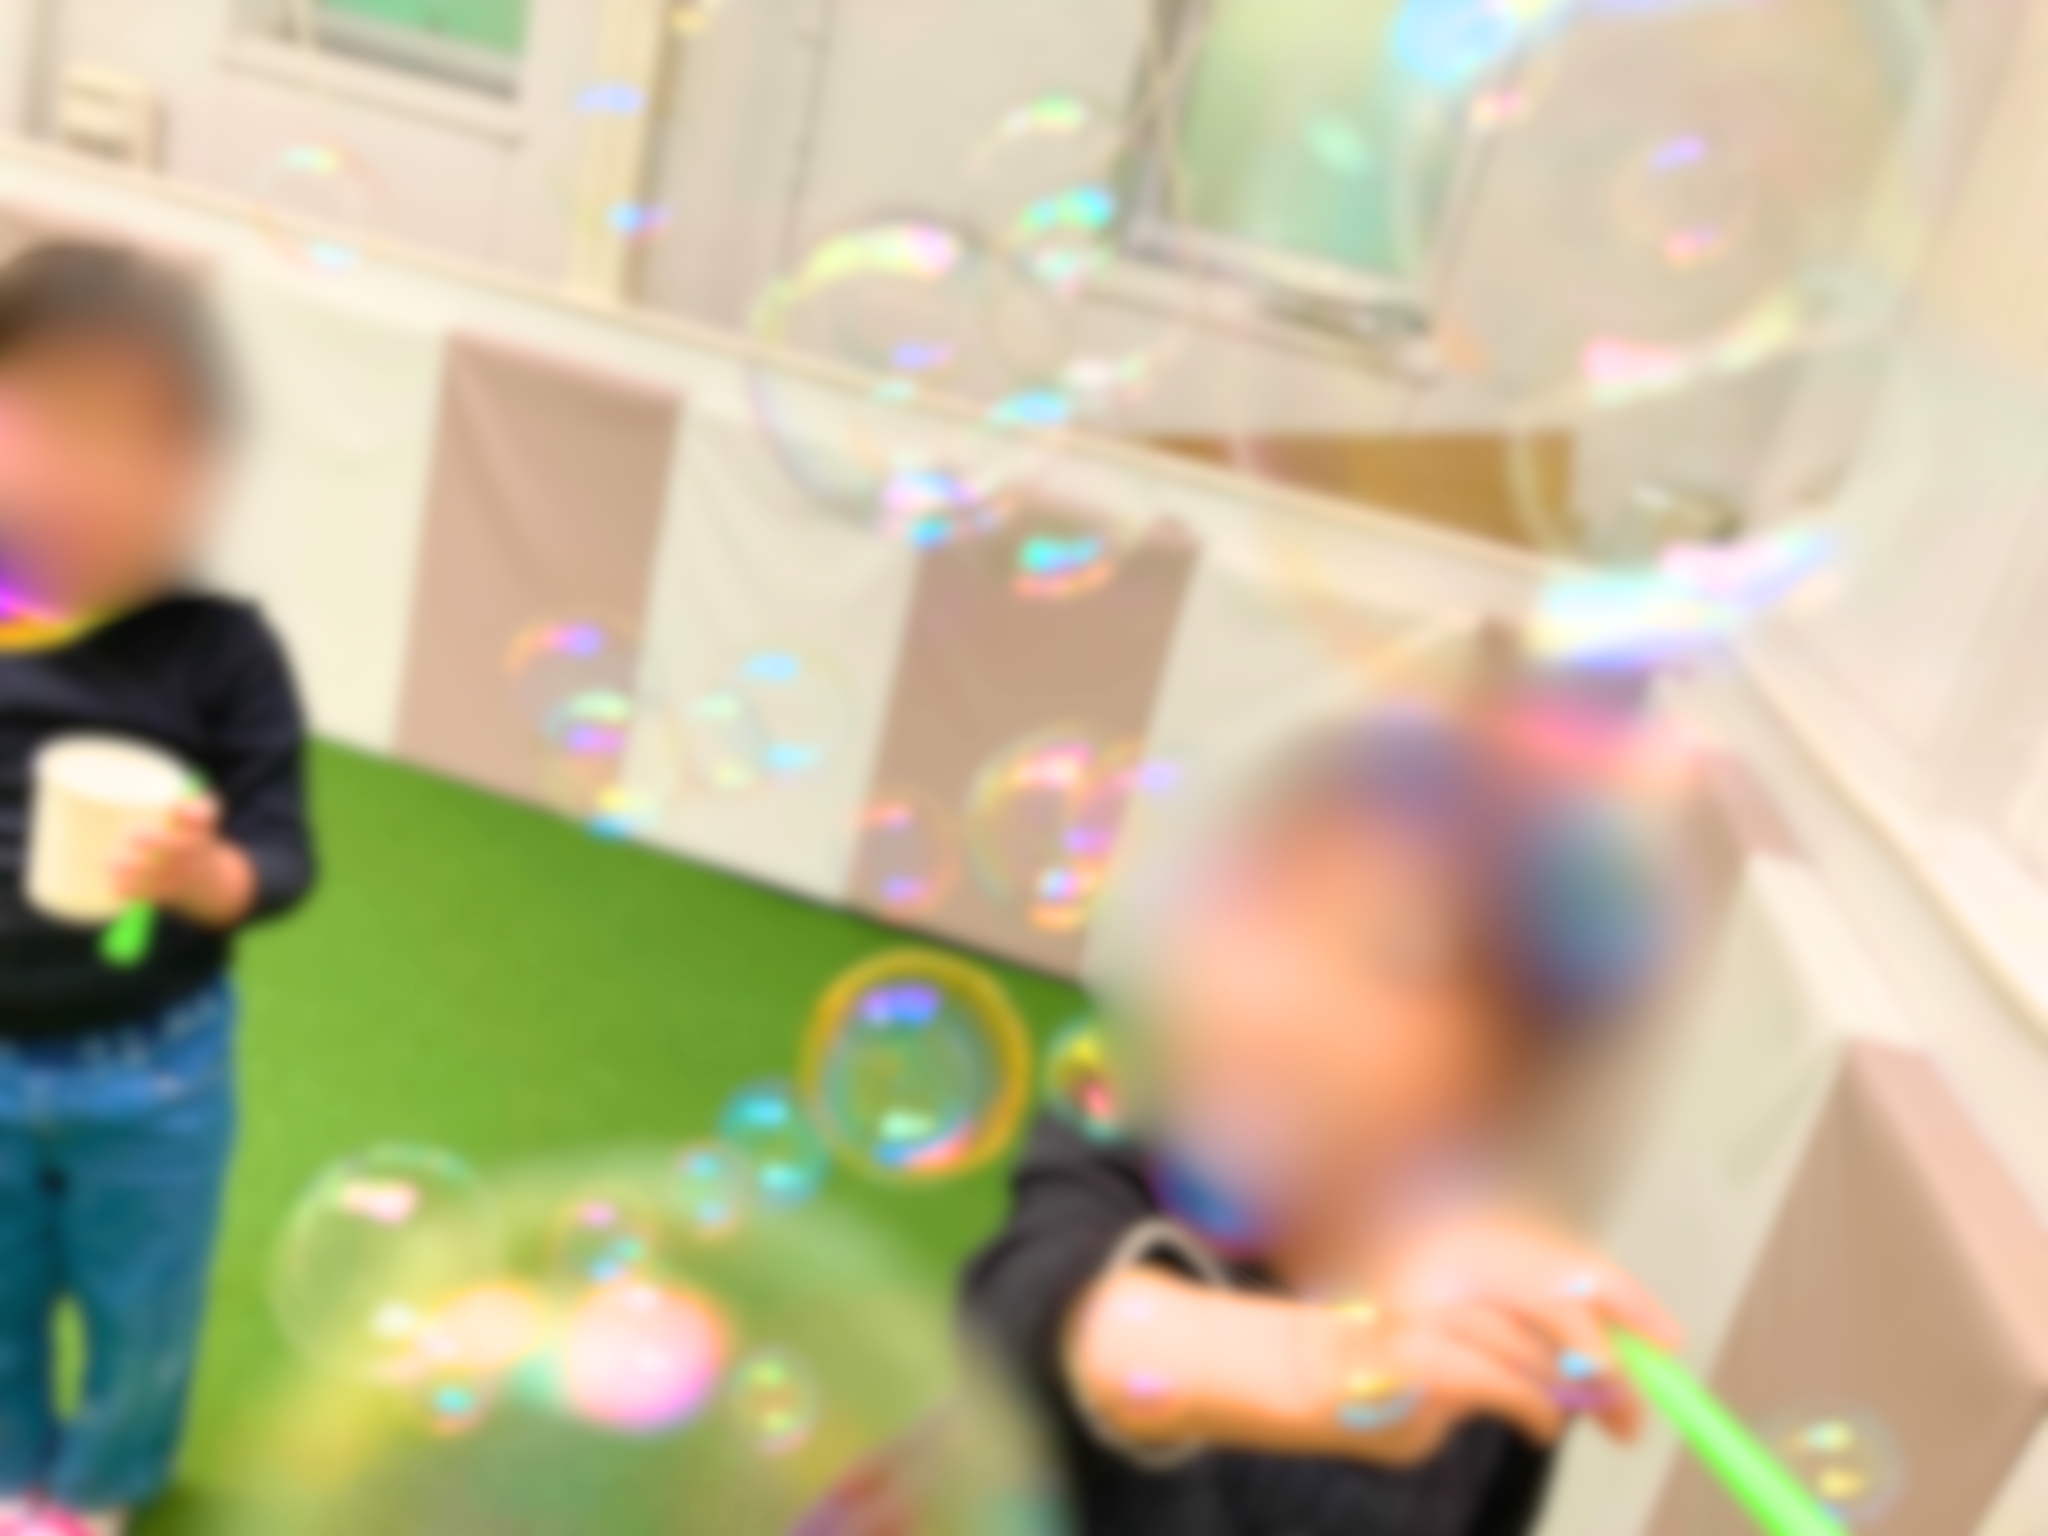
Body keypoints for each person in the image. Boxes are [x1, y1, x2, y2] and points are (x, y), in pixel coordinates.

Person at [963, 692, 1689, 1536]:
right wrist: (1344, 1365)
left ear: (1508, 1066)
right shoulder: (1132, 1152)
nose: (1280, 998)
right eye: (1264, 907)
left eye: (1392, 950)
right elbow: (1037, 1316)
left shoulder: (1495, 1323)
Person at [0, 242, 317, 1535]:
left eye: (147, 448)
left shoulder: (222, 655)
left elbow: (281, 856)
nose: (96, 480)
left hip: (155, 1071)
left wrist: (203, 874)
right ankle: (14, 1474)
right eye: (58, 430)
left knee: (144, 1314)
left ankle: (99, 1489)